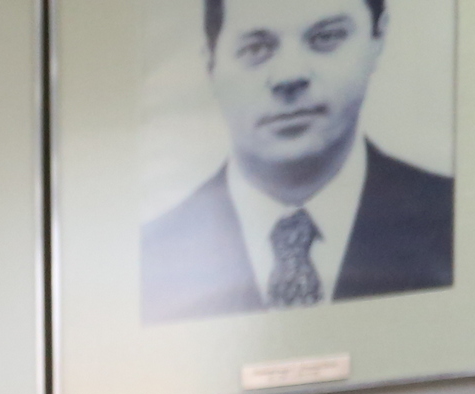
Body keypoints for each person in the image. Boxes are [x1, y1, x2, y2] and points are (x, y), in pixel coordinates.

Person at [141, 0, 452, 322]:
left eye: (325, 37)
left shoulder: (456, 222)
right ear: (211, 63)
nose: (289, 76)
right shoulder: (146, 260)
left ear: (378, 38)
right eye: (256, 47)